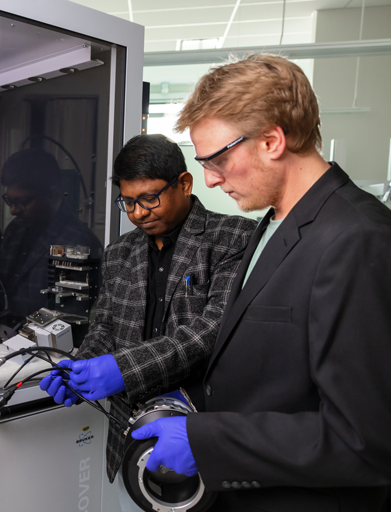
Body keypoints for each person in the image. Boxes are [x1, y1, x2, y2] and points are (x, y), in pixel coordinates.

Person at [132, 54, 391, 511]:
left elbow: (361, 440)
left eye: (219, 160)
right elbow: (278, 372)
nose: (210, 181)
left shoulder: (358, 238)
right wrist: (194, 400)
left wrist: (205, 439)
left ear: (272, 140)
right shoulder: (272, 223)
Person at [40, 134, 256, 509]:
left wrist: (119, 370)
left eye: (149, 198)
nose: (138, 213)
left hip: (201, 432)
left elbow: (211, 331)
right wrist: (80, 366)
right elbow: (105, 327)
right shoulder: (120, 252)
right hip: (130, 439)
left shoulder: (233, 238)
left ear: (184, 184)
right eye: (128, 202)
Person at [0, 148, 102, 318]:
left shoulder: (77, 243)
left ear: (52, 195)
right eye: (10, 201)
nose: (14, 210)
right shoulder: (15, 229)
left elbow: (66, 319)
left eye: (23, 202)